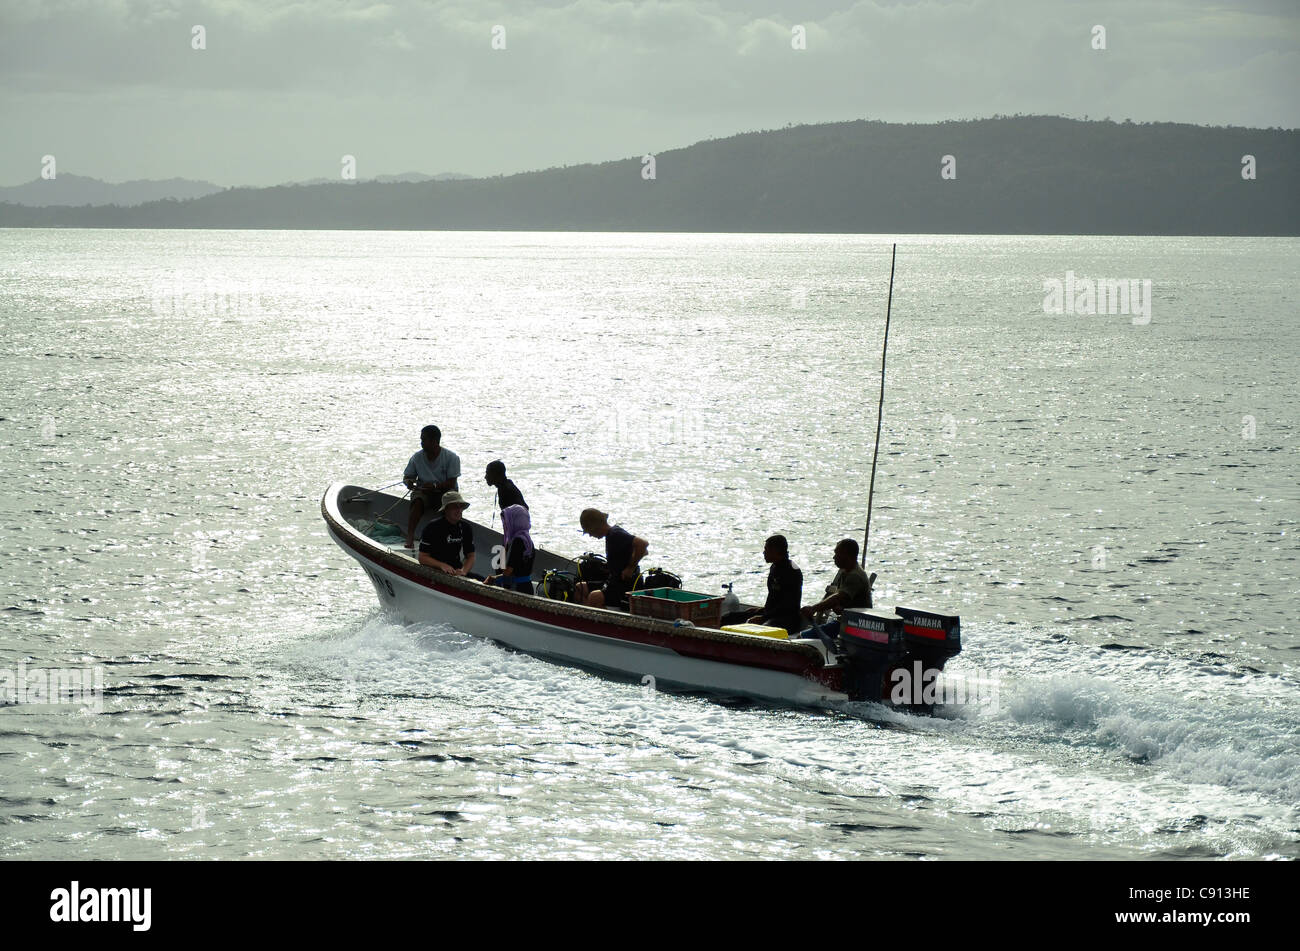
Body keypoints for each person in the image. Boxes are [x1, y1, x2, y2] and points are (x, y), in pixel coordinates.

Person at [799, 538, 874, 645]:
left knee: (801, 638)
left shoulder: (855, 575)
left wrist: (813, 608)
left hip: (853, 625)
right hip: (845, 620)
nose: (834, 557)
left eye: (837, 553)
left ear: (846, 555)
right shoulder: (845, 572)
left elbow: (839, 597)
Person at [576, 508, 647, 610]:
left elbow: (643, 545)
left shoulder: (615, 534)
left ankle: (595, 618)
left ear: (596, 527)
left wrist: (630, 568)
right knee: (580, 588)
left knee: (594, 597)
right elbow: (643, 552)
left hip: (624, 585)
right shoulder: (610, 536)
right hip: (613, 580)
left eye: (590, 532)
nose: (591, 535)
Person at [404, 425, 461, 548]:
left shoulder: (451, 457)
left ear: (434, 441)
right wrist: (409, 482)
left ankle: (450, 538)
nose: (421, 443)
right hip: (425, 492)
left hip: (445, 491)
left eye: (424, 440)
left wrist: (435, 486)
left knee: (450, 502)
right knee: (418, 500)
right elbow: (408, 476)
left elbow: (451, 482)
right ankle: (410, 536)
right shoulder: (417, 457)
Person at [747, 534, 803, 635]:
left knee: (760, 628)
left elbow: (788, 605)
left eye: (766, 549)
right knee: (730, 617)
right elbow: (775, 597)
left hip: (787, 619)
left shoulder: (791, 571)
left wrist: (764, 618)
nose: (764, 552)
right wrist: (762, 610)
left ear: (775, 551)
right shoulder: (774, 567)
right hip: (771, 614)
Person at [417, 491, 475, 576]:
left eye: (461, 507)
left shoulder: (466, 527)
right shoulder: (432, 527)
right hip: (434, 568)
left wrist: (463, 571)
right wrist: (441, 565)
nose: (459, 510)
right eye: (455, 507)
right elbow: (422, 557)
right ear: (446, 509)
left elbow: (471, 556)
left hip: (455, 570)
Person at [485, 504, 535, 594]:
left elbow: (508, 572)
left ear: (514, 521)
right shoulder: (529, 541)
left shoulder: (517, 542)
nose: (505, 524)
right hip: (527, 587)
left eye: (506, 521)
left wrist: (493, 579)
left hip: (516, 589)